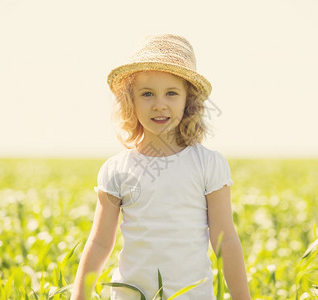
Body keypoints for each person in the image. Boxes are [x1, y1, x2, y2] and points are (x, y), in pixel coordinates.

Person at [71, 34, 251, 300]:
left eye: (171, 93)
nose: (159, 104)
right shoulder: (116, 169)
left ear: (188, 101)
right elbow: (99, 242)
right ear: (130, 100)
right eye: (147, 94)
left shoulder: (208, 164)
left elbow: (226, 241)